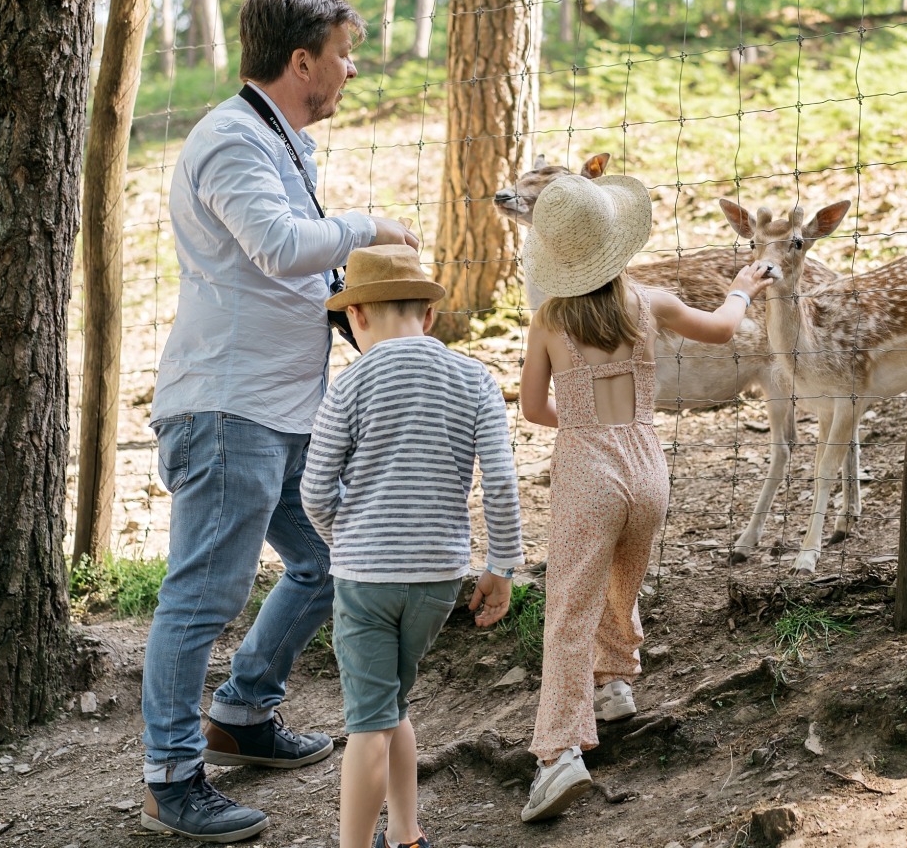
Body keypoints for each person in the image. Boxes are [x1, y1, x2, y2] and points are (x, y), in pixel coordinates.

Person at [141, 0, 419, 843]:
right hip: (227, 409)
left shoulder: (283, 143)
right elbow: (275, 245)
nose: (351, 68)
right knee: (203, 593)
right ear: (301, 61)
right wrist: (371, 226)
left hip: (285, 409)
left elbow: (304, 274)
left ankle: (243, 712)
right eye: (343, 52)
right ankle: (171, 775)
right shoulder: (230, 140)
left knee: (331, 558)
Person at [516, 171, 773, 822]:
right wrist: (741, 289)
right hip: (648, 474)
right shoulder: (647, 301)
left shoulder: (549, 320)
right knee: (619, 582)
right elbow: (721, 328)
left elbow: (532, 406)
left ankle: (557, 756)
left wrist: (580, 423)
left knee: (568, 609)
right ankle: (616, 682)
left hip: (589, 475)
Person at [299, 244, 523, 848]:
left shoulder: (349, 388)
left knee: (367, 723)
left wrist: (344, 543)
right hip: (436, 581)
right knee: (394, 703)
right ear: (427, 315)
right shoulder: (475, 377)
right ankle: (405, 832)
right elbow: (501, 480)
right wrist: (500, 567)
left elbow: (316, 490)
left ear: (358, 319)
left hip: (365, 581)